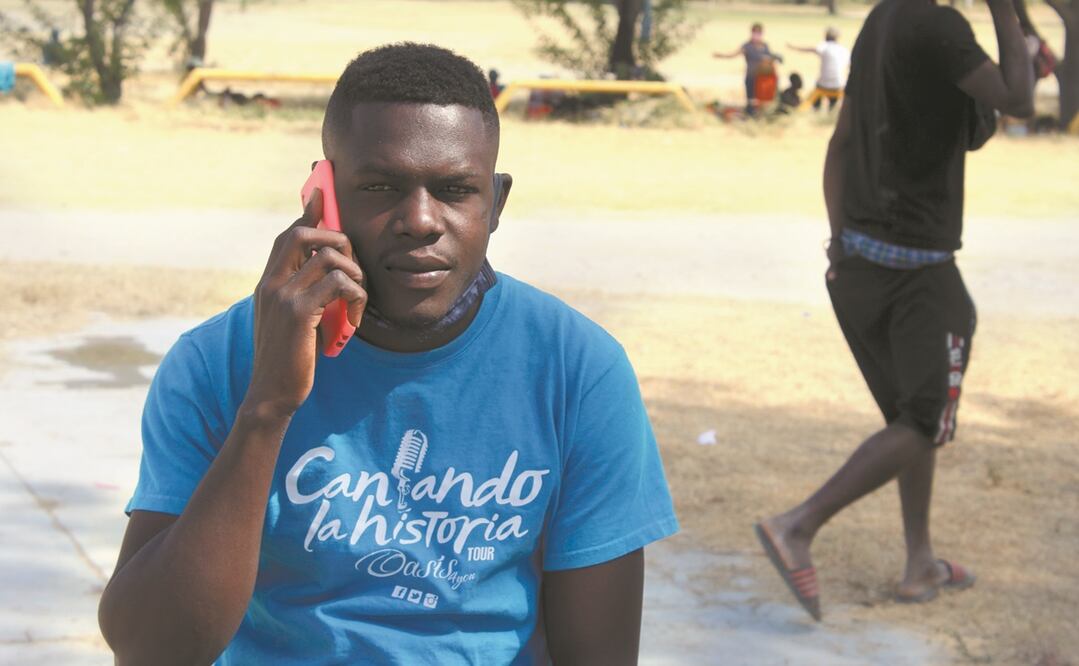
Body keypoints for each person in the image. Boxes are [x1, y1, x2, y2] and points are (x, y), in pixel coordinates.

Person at [97, 43, 679, 664]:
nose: (421, 220)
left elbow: (599, 654)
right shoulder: (216, 362)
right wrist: (266, 406)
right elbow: (151, 649)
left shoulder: (577, 369)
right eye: (380, 187)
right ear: (322, 198)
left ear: (497, 203)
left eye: (456, 189)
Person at [755, 0, 1034, 622]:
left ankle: (919, 565)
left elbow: (842, 140)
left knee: (908, 420)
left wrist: (837, 243)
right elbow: (1017, 99)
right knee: (926, 418)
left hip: (857, 264)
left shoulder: (883, 19)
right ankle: (797, 526)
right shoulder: (942, 27)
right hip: (918, 273)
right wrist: (1006, 12)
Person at [714, 23, 783, 115]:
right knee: (751, 98)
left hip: (763, 78)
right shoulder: (747, 46)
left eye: (759, 33)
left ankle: (762, 114)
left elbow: (770, 58)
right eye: (755, 32)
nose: (757, 35)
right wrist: (721, 56)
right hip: (751, 75)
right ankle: (750, 115)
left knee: (763, 99)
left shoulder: (765, 45)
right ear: (752, 33)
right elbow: (734, 54)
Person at [787, 27, 850, 111]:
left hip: (823, 85)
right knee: (832, 95)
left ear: (826, 36)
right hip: (839, 85)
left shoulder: (824, 46)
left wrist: (793, 47)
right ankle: (831, 108)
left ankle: (816, 108)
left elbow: (809, 49)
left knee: (817, 93)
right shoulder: (844, 50)